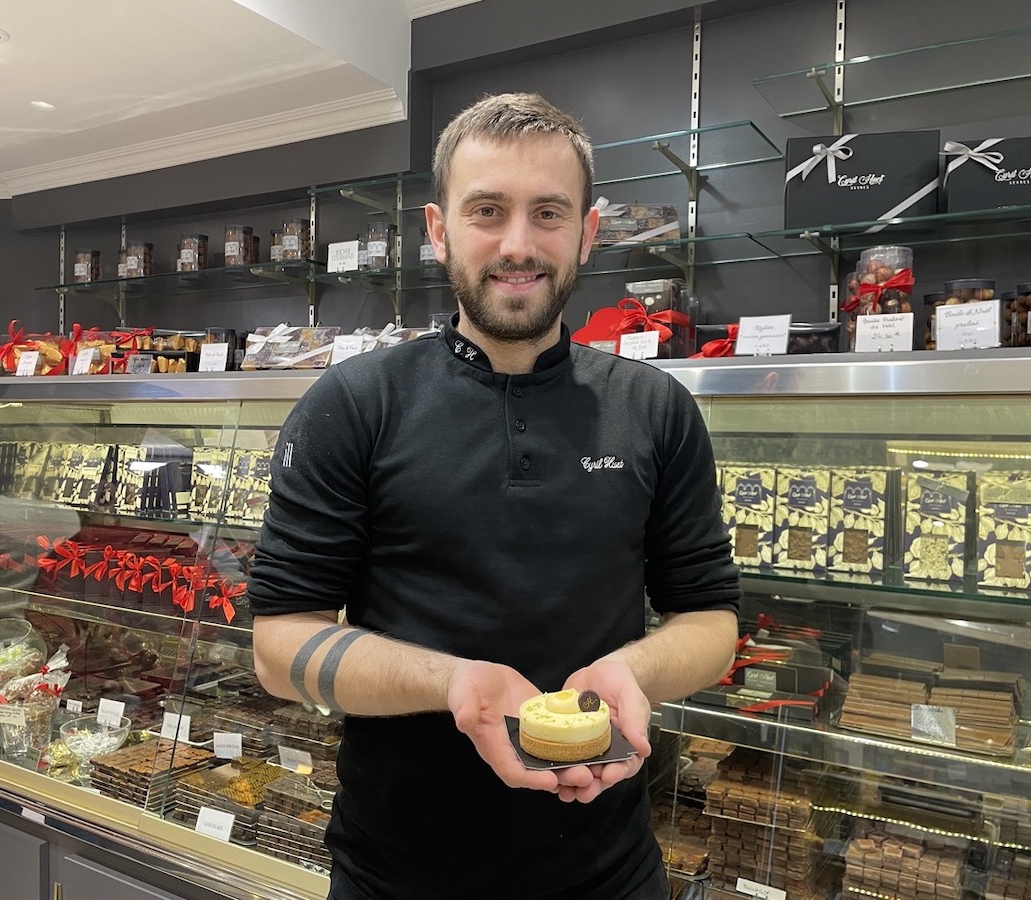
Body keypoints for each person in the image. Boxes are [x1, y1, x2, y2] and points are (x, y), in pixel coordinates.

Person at [248, 92, 741, 900]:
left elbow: (711, 623)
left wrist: (632, 673)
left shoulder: (655, 409)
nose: (518, 244)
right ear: (441, 231)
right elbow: (278, 648)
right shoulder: (354, 404)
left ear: (586, 233)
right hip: (394, 877)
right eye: (488, 211)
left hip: (609, 875)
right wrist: (454, 685)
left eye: (548, 213)